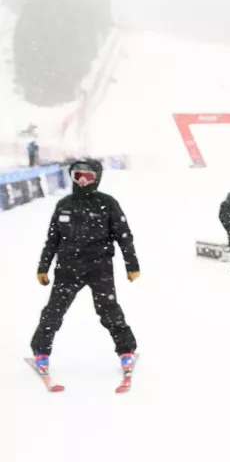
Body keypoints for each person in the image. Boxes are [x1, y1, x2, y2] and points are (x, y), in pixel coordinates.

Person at [32, 158, 140, 372]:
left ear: (96, 179)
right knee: (53, 312)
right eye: (77, 176)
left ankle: (126, 351)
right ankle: (41, 352)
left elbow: (124, 237)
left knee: (109, 310)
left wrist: (132, 265)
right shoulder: (64, 205)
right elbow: (52, 240)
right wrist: (43, 267)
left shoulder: (108, 203)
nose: (82, 182)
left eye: (87, 177)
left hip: (99, 267)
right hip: (67, 268)